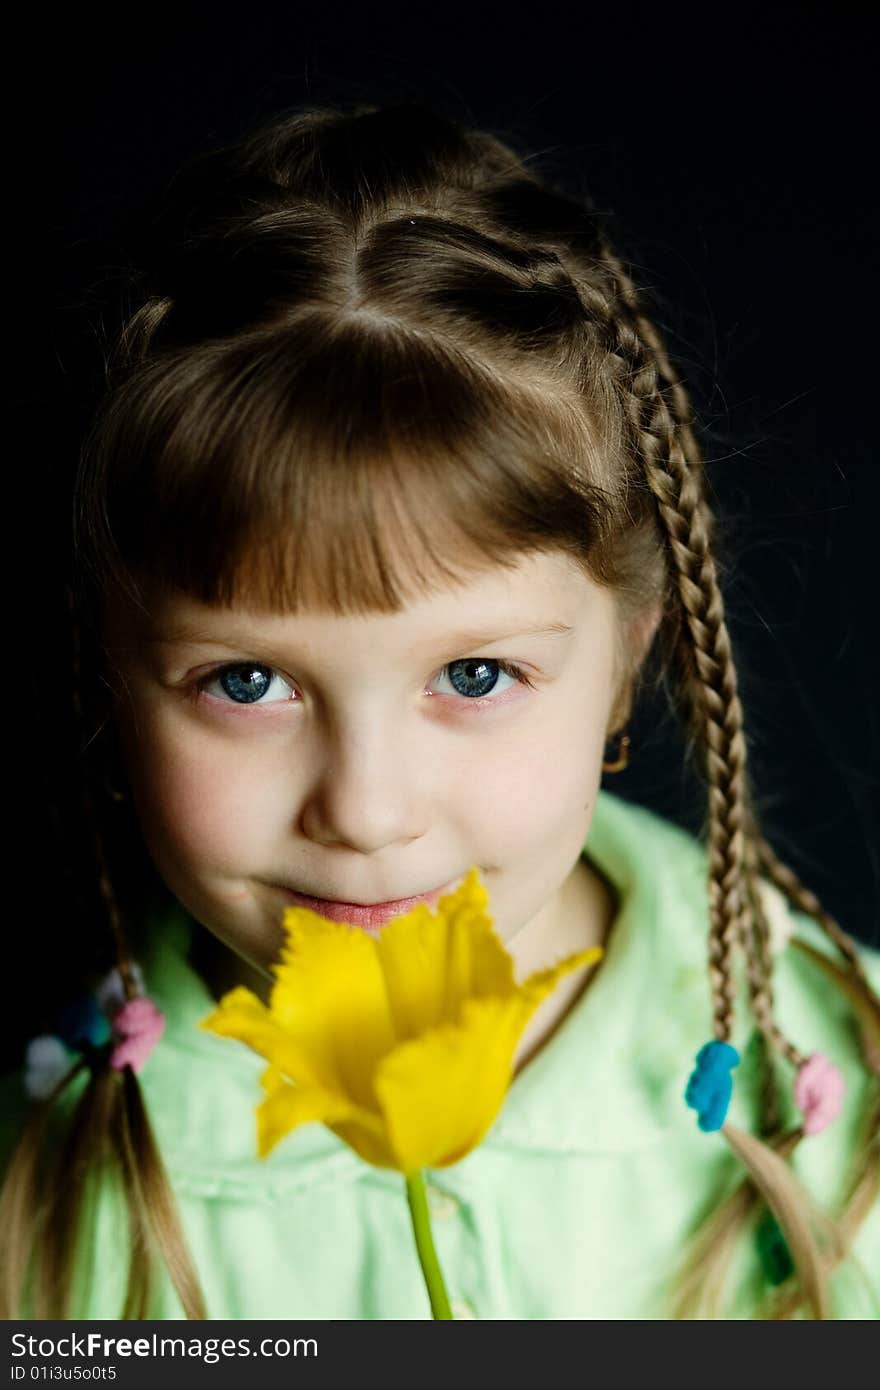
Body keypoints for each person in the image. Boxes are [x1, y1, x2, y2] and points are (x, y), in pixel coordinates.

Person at [1, 100, 877, 1322]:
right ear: (109, 673)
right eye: (245, 682)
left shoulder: (846, 1106)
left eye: (473, 677)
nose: (366, 810)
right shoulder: (43, 1184)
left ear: (624, 661)